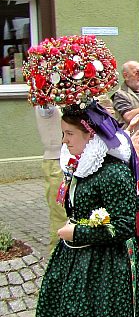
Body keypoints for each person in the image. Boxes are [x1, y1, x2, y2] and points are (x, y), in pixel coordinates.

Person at [24, 35, 139, 317]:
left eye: (69, 136)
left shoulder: (111, 171)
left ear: (90, 134)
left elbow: (123, 226)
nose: (65, 143)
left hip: (109, 266)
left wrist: (76, 229)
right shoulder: (80, 166)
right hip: (81, 259)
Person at [33, 105, 67, 251]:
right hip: (57, 162)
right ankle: (58, 254)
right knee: (60, 213)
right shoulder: (47, 104)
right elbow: (46, 108)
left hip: (73, 159)